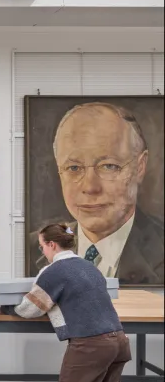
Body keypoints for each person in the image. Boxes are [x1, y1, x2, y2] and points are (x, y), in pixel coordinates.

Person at [30, 102, 163, 285]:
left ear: (139, 167)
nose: (90, 187)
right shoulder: (32, 247)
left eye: (108, 166)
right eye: (74, 168)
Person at [3, 223, 130, 382]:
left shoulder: (54, 271)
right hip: (119, 342)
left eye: (42, 246)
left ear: (52, 244)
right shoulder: (89, 267)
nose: (43, 251)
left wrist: (8, 309)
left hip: (92, 345)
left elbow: (31, 308)